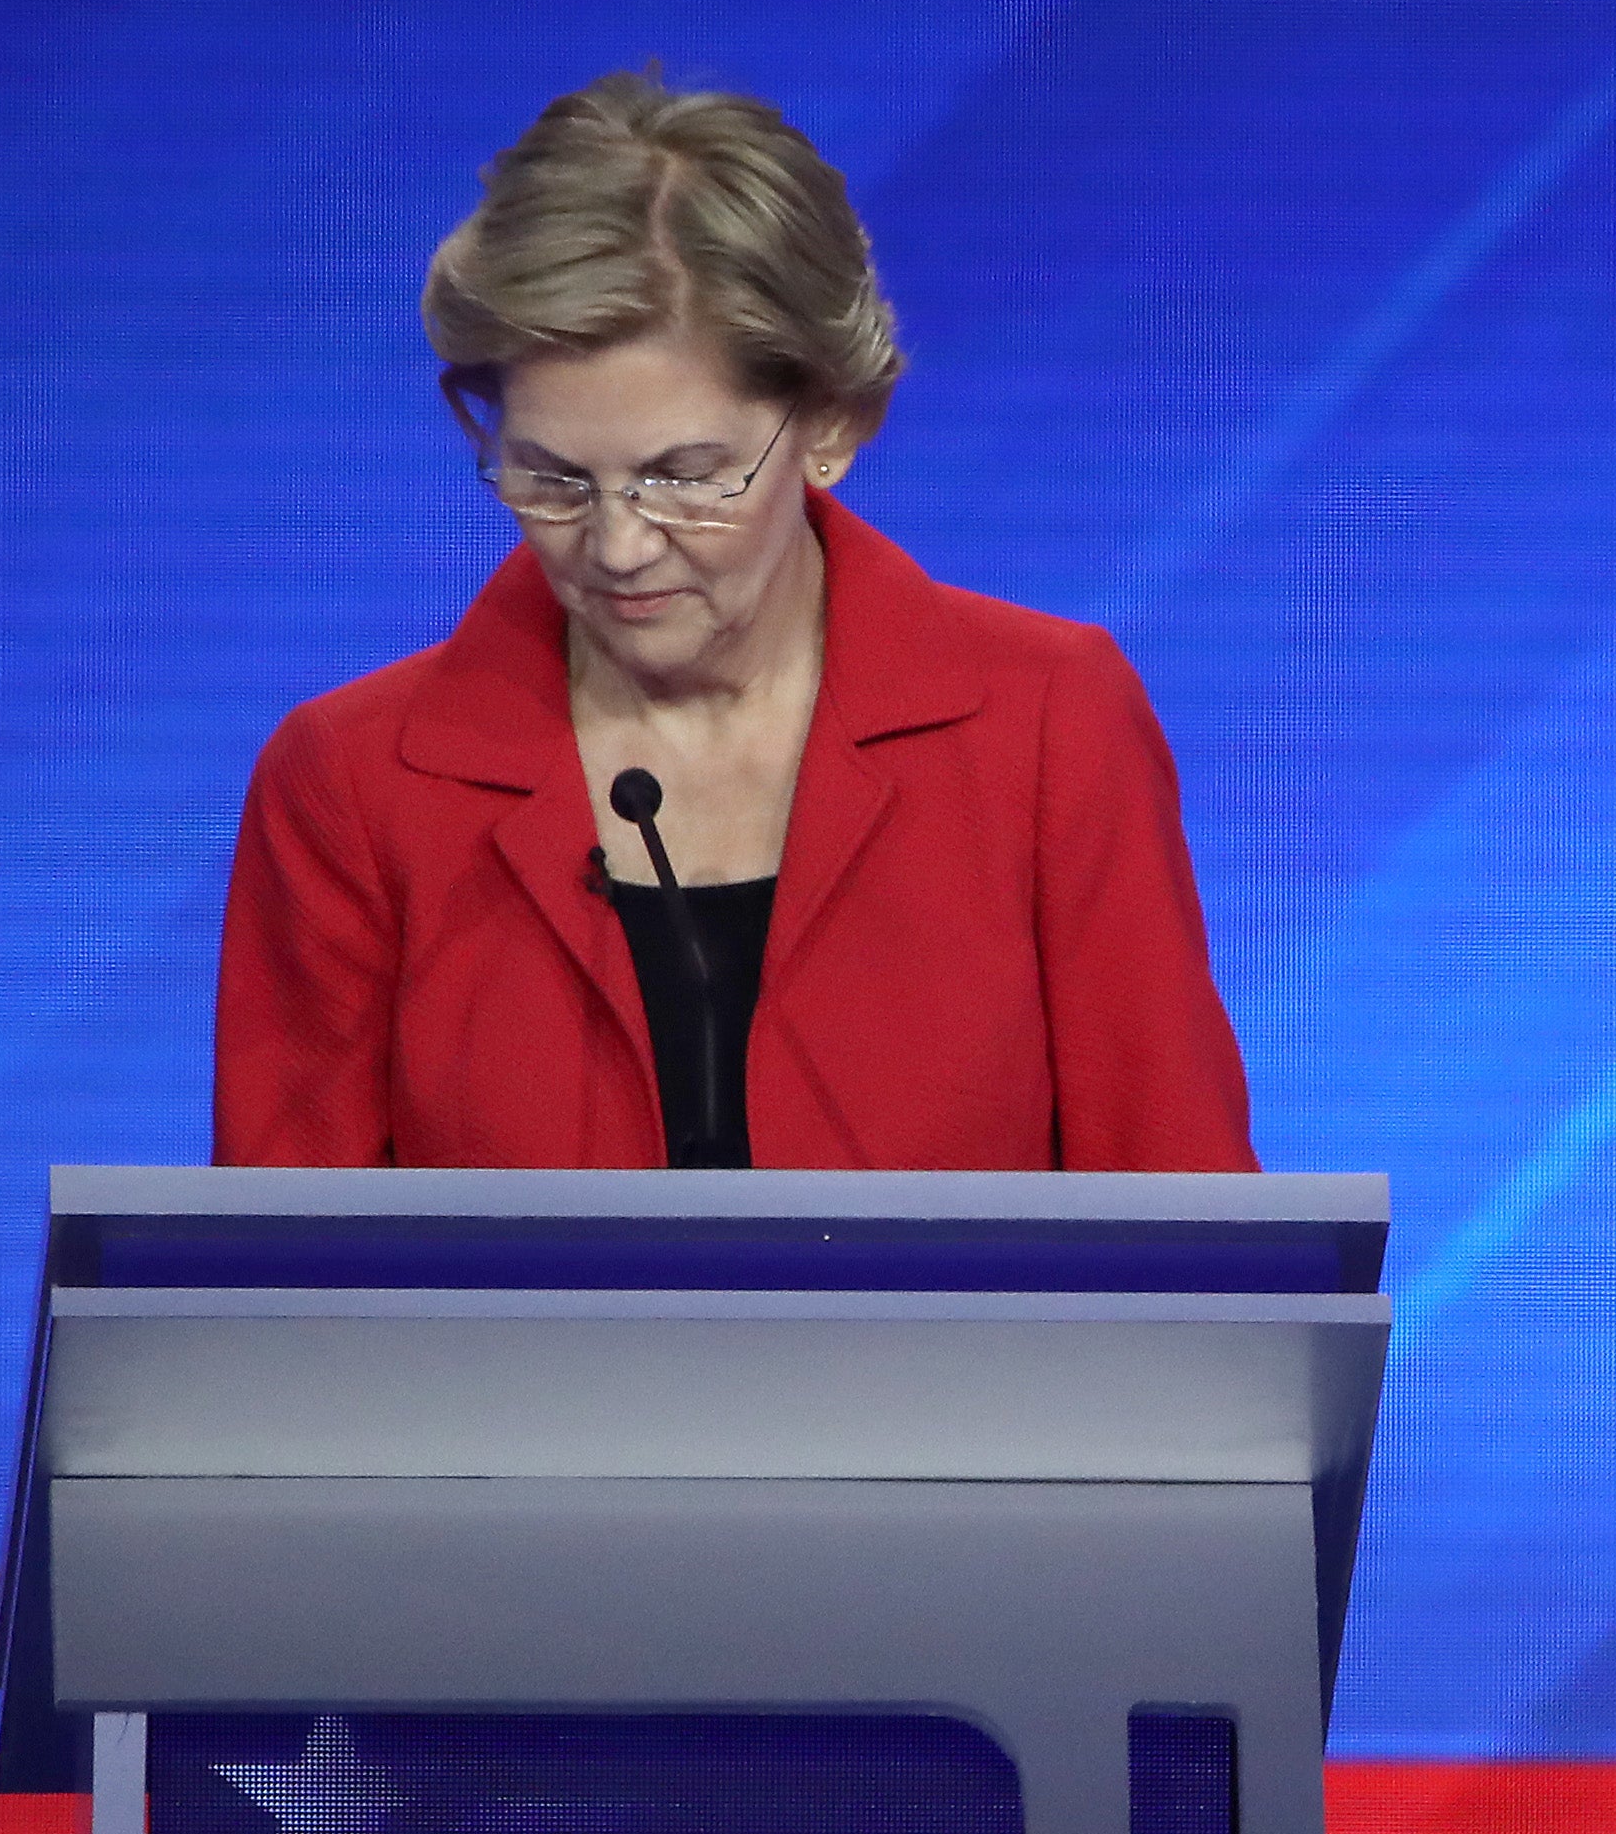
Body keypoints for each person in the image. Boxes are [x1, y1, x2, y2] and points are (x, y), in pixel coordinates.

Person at [216, 71, 1254, 1170]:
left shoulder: (1046, 726)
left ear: (832, 424)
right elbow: (280, 1306)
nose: (616, 547)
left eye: (684, 478)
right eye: (552, 478)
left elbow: (1185, 1252)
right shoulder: (354, 783)